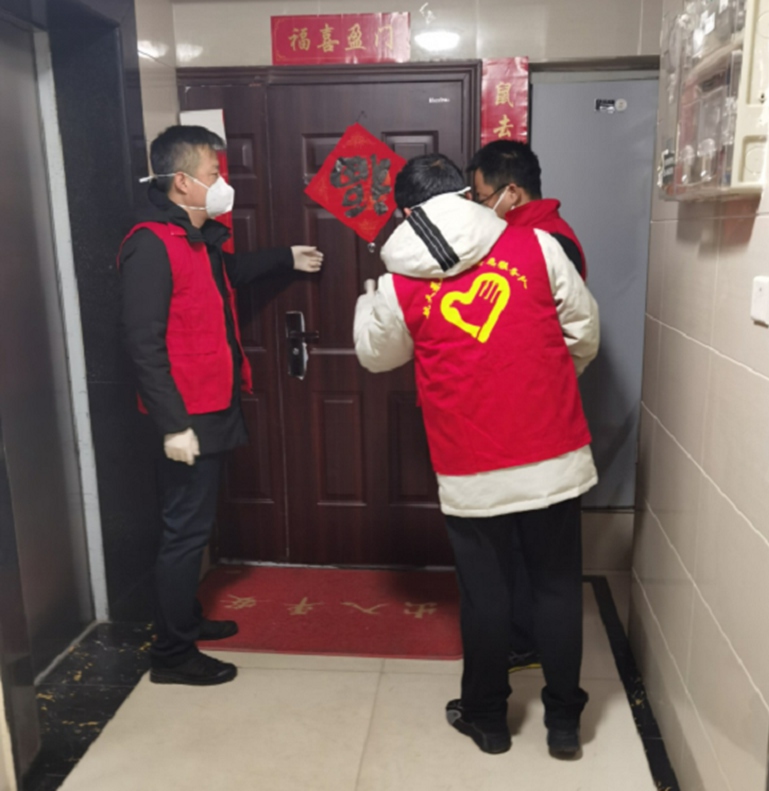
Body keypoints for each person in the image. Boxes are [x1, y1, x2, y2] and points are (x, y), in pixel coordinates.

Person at [353, 154, 599, 756]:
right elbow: (584, 334)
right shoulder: (537, 247)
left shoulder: (399, 281)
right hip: (553, 451)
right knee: (558, 589)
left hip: (471, 463)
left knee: (486, 597)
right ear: (467, 196)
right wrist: (544, 382)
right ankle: (564, 724)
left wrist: (368, 301)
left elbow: (375, 356)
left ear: (405, 212)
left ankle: (488, 721)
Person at [119, 125, 323, 686]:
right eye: (214, 173)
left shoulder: (194, 237)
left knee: (196, 525)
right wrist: (172, 426)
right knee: (184, 531)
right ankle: (172, 655)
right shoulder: (150, 243)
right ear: (183, 182)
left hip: (213, 402)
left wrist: (284, 258)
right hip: (185, 415)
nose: (223, 182)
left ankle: (184, 620)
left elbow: (224, 277)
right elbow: (142, 342)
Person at [467, 140, 589, 673]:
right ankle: (525, 638)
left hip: (540, 421)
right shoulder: (521, 235)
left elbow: (575, 335)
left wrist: (544, 386)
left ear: (512, 192)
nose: (477, 206)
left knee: (536, 551)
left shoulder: (549, 242)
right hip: (512, 417)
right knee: (518, 543)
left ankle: (527, 641)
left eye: (481, 196)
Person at [468, 140, 586, 279]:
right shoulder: (507, 230)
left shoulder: (555, 244)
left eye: (483, 198)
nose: (481, 205)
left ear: (512, 193)